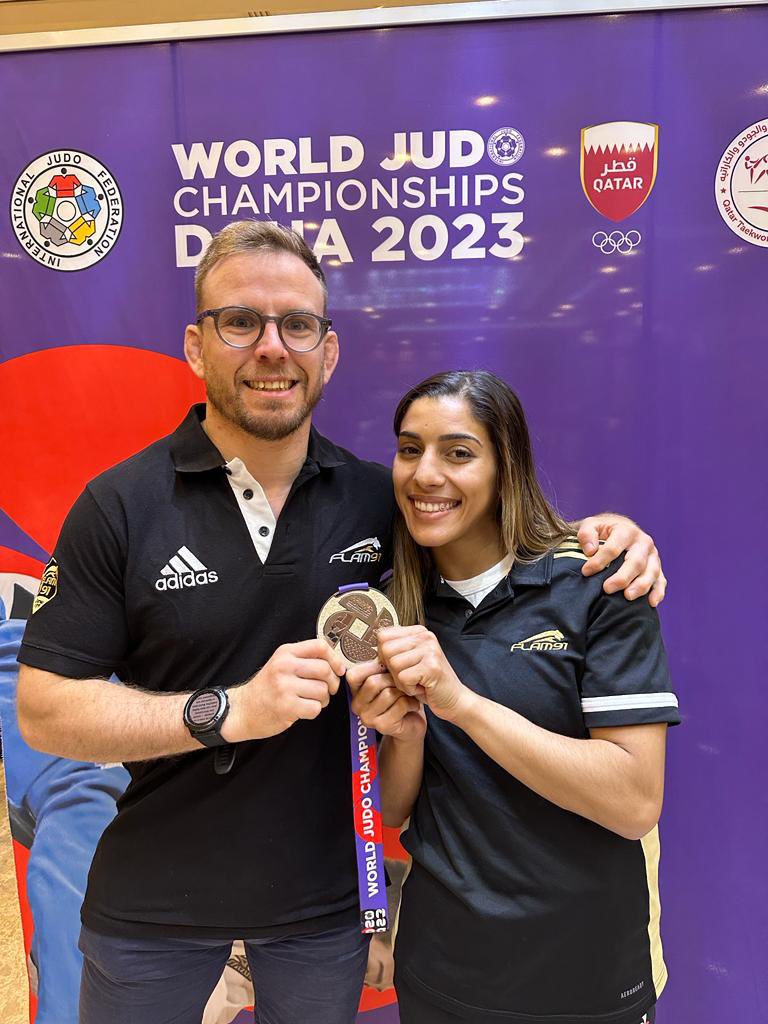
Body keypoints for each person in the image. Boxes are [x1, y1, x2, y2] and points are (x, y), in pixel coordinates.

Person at [16, 221, 665, 1024]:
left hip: (321, 915)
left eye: (297, 325)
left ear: (328, 351)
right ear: (195, 344)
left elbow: (488, 524)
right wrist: (229, 711)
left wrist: (607, 535)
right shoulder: (118, 504)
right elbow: (44, 710)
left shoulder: (381, 501)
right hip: (153, 912)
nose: (271, 347)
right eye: (240, 321)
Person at [347, 370, 680, 1024]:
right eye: (410, 449)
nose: (425, 474)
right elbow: (391, 807)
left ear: (508, 467)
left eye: (458, 452)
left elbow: (633, 800)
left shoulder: (597, 582)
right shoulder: (392, 608)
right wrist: (408, 735)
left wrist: (459, 701)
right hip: (442, 980)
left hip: (587, 981)